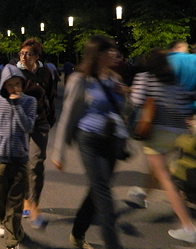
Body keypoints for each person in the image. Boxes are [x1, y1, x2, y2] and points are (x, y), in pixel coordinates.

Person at [52, 35, 130, 249]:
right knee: (104, 195)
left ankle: (77, 232)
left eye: (113, 51)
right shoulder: (80, 80)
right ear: (97, 55)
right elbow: (68, 115)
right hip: (89, 139)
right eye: (108, 52)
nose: (113, 55)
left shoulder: (114, 79)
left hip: (112, 140)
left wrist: (125, 97)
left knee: (97, 189)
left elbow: (123, 111)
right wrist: (59, 152)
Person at [131, 48, 196, 243]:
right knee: (157, 167)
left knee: (165, 179)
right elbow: (186, 106)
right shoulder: (175, 81)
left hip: (158, 132)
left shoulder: (146, 77)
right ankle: (142, 195)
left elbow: (137, 100)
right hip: (179, 133)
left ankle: (188, 228)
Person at [0, 64, 37, 249]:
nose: (15, 88)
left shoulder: (29, 102)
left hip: (20, 159)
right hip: (0, 158)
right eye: (10, 85)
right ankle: (2, 221)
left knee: (15, 205)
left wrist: (17, 106)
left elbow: (28, 127)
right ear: (3, 86)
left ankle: (12, 241)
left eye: (18, 84)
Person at [16, 38, 56, 228]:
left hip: (40, 123)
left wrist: (49, 120)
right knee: (23, 165)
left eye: (28, 54)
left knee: (36, 165)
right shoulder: (14, 72)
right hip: (20, 125)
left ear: (37, 56)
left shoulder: (46, 72)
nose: (24, 57)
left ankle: (34, 205)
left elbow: (51, 96)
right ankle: (24, 199)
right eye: (22, 53)